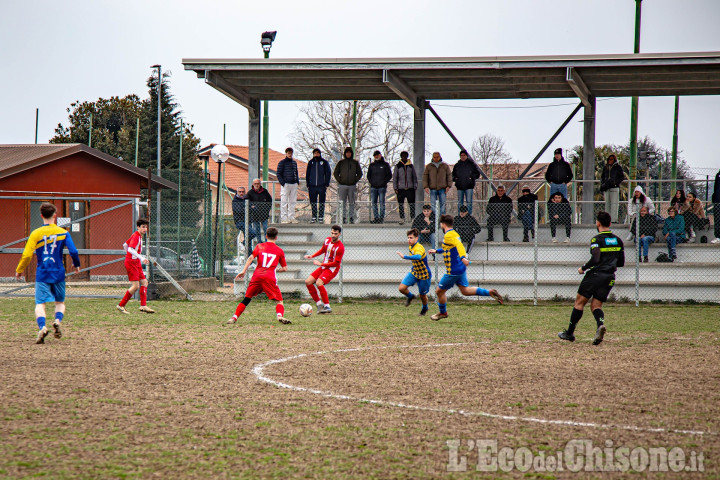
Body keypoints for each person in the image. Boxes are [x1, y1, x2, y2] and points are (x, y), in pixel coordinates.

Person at [15, 202, 80, 344]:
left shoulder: (35, 233)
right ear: (55, 216)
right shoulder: (63, 233)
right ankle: (57, 321)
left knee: (40, 303)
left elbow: (27, 255)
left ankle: (42, 327)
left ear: (41, 215)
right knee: (60, 302)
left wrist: (20, 270)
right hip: (58, 272)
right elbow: (73, 251)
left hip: (42, 273)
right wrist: (76, 264)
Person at [558, 211, 624, 346]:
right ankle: (600, 325)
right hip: (610, 276)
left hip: (596, 275)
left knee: (579, 302)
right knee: (596, 305)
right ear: (610, 224)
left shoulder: (596, 240)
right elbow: (621, 262)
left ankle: (569, 333)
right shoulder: (618, 240)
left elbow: (595, 258)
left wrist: (583, 268)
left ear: (598, 223)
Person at [428, 215, 503, 321]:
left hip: (453, 271)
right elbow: (448, 248)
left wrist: (463, 257)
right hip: (460, 268)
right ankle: (490, 292)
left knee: (439, 292)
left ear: (443, 224)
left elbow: (459, 246)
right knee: (465, 291)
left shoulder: (449, 235)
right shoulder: (454, 233)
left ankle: (443, 313)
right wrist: (436, 251)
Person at [226, 227, 290, 325]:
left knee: (247, 298)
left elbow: (251, 257)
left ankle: (234, 318)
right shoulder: (279, 251)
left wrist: (243, 271)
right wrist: (275, 270)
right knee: (279, 300)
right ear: (276, 237)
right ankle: (280, 316)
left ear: (266, 236)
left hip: (257, 276)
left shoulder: (260, 246)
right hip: (269, 277)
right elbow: (285, 268)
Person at [117, 218, 155, 314]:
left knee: (144, 282)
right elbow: (130, 249)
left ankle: (143, 306)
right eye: (143, 227)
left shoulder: (138, 236)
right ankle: (121, 305)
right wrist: (141, 258)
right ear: (138, 227)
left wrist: (134, 257)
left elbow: (125, 245)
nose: (145, 229)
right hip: (132, 263)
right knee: (136, 286)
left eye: (146, 227)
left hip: (136, 262)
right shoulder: (136, 236)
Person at [304, 225, 345, 314]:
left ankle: (327, 306)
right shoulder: (327, 240)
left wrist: (321, 263)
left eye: (336, 234)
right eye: (332, 233)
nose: (333, 235)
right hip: (323, 267)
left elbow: (336, 263)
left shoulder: (340, 247)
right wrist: (312, 256)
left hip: (331, 269)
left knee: (319, 283)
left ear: (339, 234)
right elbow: (323, 249)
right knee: (308, 282)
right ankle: (319, 305)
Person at [395, 228, 432, 316]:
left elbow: (419, 257)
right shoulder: (411, 246)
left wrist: (405, 257)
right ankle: (411, 296)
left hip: (424, 274)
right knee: (401, 288)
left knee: (422, 295)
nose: (409, 239)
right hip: (414, 272)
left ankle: (425, 308)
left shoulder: (419, 247)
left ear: (417, 238)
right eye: (408, 237)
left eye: (411, 238)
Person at [333, 147, 362, 224]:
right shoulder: (341, 163)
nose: (348, 154)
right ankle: (343, 217)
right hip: (342, 185)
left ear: (351, 153)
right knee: (343, 203)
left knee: (352, 202)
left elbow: (360, 173)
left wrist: (354, 180)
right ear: (345, 153)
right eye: (347, 152)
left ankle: (351, 217)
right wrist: (340, 180)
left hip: (352, 186)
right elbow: (335, 173)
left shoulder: (355, 163)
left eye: (349, 152)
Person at [306, 148, 332, 223]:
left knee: (321, 202)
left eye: (318, 153)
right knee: (313, 202)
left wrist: (326, 183)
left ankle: (321, 216)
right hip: (312, 186)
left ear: (320, 154)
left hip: (321, 186)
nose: (316, 154)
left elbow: (328, 173)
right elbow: (308, 174)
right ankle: (314, 216)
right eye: (315, 153)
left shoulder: (324, 162)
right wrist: (308, 183)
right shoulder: (311, 162)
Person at [367, 150, 393, 223]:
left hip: (382, 187)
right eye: (375, 155)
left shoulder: (385, 164)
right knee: (374, 203)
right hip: (373, 187)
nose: (376, 156)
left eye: (377, 155)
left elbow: (389, 175)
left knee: (382, 203)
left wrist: (384, 182)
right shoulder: (372, 165)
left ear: (380, 155)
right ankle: (376, 218)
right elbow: (368, 175)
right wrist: (372, 182)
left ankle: (381, 218)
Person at [452, 150, 481, 215]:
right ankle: (460, 216)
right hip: (460, 186)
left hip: (469, 186)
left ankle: (469, 216)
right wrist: (456, 179)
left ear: (466, 156)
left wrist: (471, 177)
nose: (462, 157)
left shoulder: (471, 164)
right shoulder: (457, 165)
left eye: (464, 155)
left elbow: (477, 174)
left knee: (469, 202)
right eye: (461, 155)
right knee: (460, 203)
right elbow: (453, 175)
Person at [393, 151, 418, 225]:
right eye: (403, 156)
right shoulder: (398, 166)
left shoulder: (410, 166)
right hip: (400, 189)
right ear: (401, 157)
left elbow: (414, 177)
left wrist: (415, 186)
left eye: (405, 156)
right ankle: (402, 218)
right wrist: (395, 187)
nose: (404, 157)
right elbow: (395, 177)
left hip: (410, 188)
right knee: (401, 204)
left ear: (407, 157)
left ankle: (412, 218)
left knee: (412, 204)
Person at [599, 154, 625, 223]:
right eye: (609, 159)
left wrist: (615, 183)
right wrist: (603, 184)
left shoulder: (618, 167)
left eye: (611, 159)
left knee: (614, 204)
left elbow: (622, 177)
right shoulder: (606, 167)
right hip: (606, 188)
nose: (610, 160)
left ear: (614, 160)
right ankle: (607, 219)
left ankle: (613, 220)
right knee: (607, 204)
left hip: (614, 188)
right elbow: (602, 177)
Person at [276, 147, 299, 224]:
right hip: (286, 184)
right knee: (284, 201)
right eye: (288, 153)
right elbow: (278, 173)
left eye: (291, 153)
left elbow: (296, 172)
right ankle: (284, 218)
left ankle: (291, 217)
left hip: (293, 184)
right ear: (286, 153)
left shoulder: (294, 163)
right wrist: (283, 183)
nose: (290, 154)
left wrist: (297, 181)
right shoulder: (282, 162)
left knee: (292, 202)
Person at [247, 178, 272, 243]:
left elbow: (269, 201)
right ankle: (259, 242)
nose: (257, 185)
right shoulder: (250, 193)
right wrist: (251, 207)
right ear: (253, 184)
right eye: (255, 183)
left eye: (258, 183)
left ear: (260, 184)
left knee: (266, 229)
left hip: (264, 215)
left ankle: (267, 242)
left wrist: (267, 210)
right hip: (255, 215)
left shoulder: (265, 191)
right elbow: (247, 202)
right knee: (257, 230)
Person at [712, 169, 720, 244]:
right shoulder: (718, 175)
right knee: (717, 220)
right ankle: (718, 237)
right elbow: (715, 187)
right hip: (718, 202)